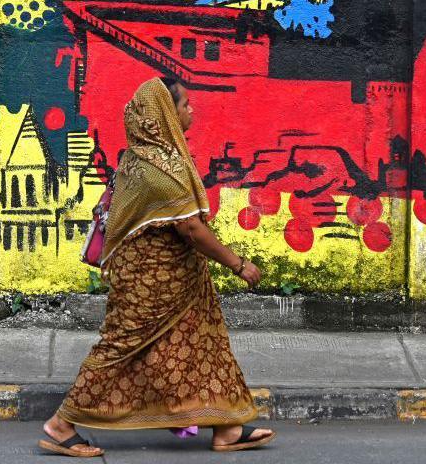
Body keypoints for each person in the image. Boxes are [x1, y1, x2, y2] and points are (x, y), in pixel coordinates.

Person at [39, 77, 275, 457]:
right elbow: (191, 228)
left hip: (173, 280)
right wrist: (238, 264)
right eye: (185, 105)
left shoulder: (141, 156)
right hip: (150, 284)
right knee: (120, 349)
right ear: (166, 114)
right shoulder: (162, 170)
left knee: (203, 345)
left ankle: (227, 426)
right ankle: (60, 425)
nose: (191, 110)